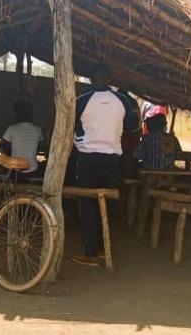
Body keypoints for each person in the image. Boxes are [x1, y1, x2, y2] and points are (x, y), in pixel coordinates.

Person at [71, 63, 139, 267]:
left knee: (87, 204)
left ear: (91, 79)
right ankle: (102, 248)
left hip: (87, 158)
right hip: (111, 160)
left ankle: (91, 252)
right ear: (110, 79)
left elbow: (72, 125)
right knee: (105, 203)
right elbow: (132, 126)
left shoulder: (82, 100)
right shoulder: (122, 100)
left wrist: (82, 141)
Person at [0, 101, 45, 181]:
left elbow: (3, 147)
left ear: (17, 114)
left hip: (15, 171)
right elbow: (38, 149)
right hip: (33, 170)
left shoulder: (12, 128)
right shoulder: (38, 130)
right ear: (31, 114)